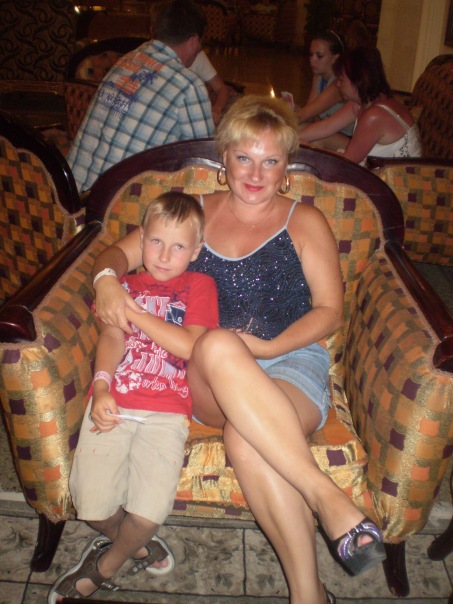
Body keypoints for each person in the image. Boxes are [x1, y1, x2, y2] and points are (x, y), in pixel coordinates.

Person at [91, 95, 387, 604]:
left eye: (270, 161)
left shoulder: (305, 221)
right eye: (244, 157)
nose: (255, 173)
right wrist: (105, 280)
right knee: (218, 342)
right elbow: (118, 252)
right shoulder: (193, 214)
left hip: (291, 361)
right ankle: (325, 494)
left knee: (246, 440)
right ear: (224, 158)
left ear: (286, 168)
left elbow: (329, 312)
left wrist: (269, 346)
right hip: (207, 373)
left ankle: (309, 595)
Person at [48, 192, 219, 603]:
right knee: (90, 505)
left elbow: (189, 345)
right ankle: (136, 545)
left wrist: (137, 312)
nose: (165, 255)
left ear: (196, 250)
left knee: (149, 512)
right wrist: (101, 386)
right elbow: (111, 337)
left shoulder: (200, 285)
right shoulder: (121, 286)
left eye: (179, 246)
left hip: (168, 412)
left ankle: (105, 566)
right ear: (140, 239)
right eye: (156, 241)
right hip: (115, 401)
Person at [67, 0, 215, 193]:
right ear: (194, 41)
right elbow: (206, 168)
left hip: (69, 194)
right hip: (112, 206)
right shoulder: (189, 86)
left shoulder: (127, 59)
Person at [299, 46, 422, 165]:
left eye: (341, 79)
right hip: (373, 162)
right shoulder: (362, 102)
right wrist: (292, 139)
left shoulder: (375, 116)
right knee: (314, 140)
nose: (337, 84)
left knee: (311, 152)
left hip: (392, 175)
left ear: (357, 80)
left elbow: (347, 163)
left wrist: (310, 149)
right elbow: (326, 126)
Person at [295, 31, 353, 150]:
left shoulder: (339, 83)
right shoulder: (318, 76)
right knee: (298, 128)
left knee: (314, 139)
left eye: (319, 56)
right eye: (311, 54)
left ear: (335, 58)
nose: (313, 59)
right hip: (330, 129)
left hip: (347, 136)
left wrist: (277, 119)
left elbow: (304, 115)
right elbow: (309, 114)